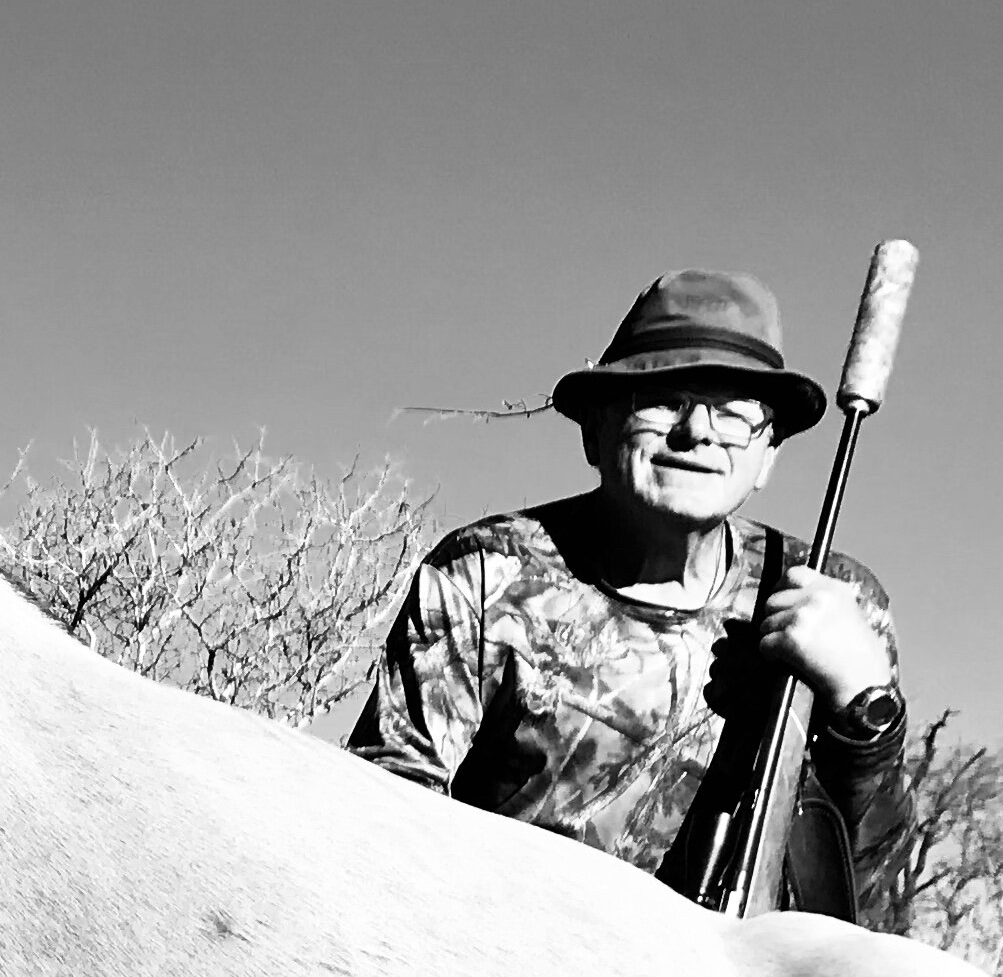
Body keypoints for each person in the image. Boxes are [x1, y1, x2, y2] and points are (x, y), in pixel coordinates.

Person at [350, 269, 913, 924]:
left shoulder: (834, 600)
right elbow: (379, 818)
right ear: (596, 430)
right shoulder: (486, 571)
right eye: (665, 400)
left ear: (767, 459)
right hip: (496, 956)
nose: (698, 431)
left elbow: (872, 911)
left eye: (734, 415)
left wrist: (866, 713)